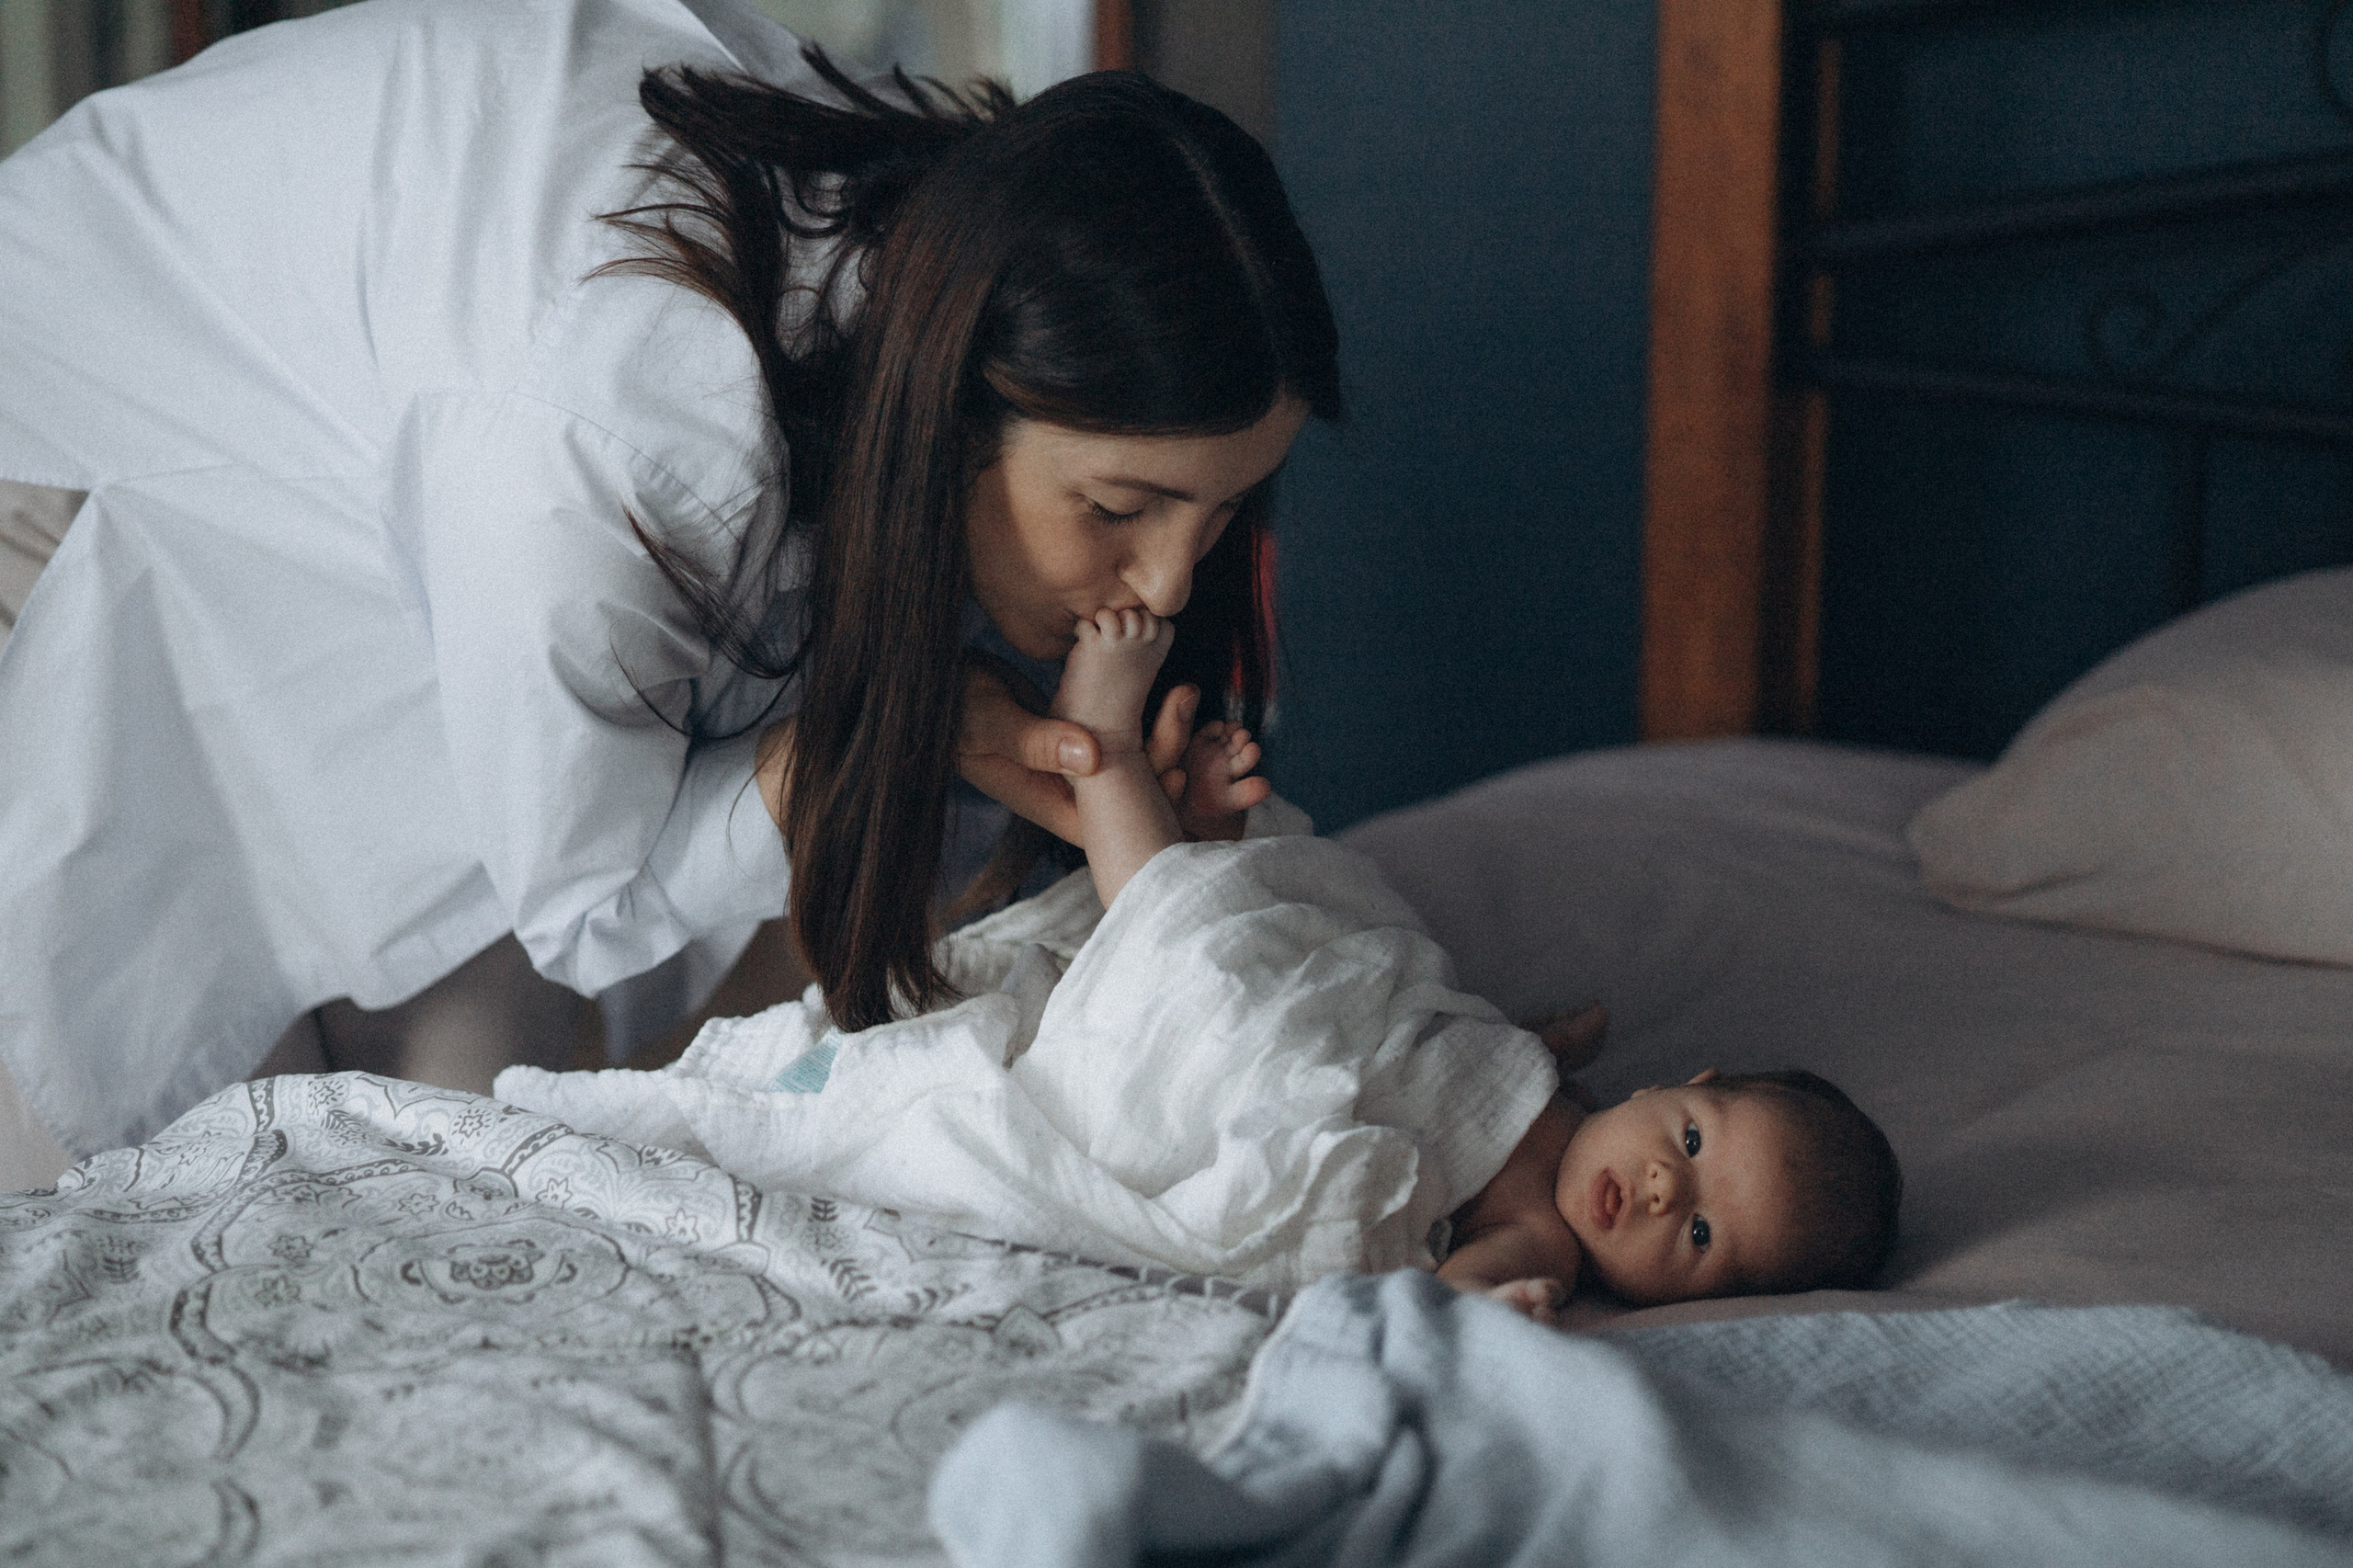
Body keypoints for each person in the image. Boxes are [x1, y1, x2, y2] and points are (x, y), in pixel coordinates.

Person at [0, 0, 1338, 1189]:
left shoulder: (982, 240)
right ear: (952, 412)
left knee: (470, 1147)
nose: (1170, 581)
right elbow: (595, 904)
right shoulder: (619, 439)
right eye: (1118, 509)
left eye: (1221, 513)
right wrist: (890, 732)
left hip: (383, 500)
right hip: (68, 465)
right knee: (147, 1167)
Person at [1043, 604, 1905, 1315]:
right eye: (1689, 1140)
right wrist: (1550, 1041)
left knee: (1207, 963)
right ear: (1673, 1086)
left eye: (1702, 1235)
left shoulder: (1545, 1239)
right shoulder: (1565, 1102)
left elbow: (1454, 1291)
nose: (1661, 1189)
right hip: (1374, 1019)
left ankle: (1106, 752)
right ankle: (1209, 843)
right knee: (1319, 908)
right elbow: (1483, 1072)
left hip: (1298, 1076)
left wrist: (1497, 1306)